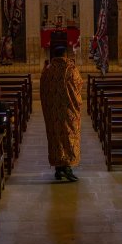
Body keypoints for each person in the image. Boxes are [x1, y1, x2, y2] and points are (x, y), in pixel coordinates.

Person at [40, 44, 82, 182]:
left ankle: (59, 169)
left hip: (52, 111)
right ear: (65, 55)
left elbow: (43, 89)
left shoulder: (47, 70)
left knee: (56, 137)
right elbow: (78, 85)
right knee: (69, 136)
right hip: (68, 109)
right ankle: (67, 169)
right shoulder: (71, 69)